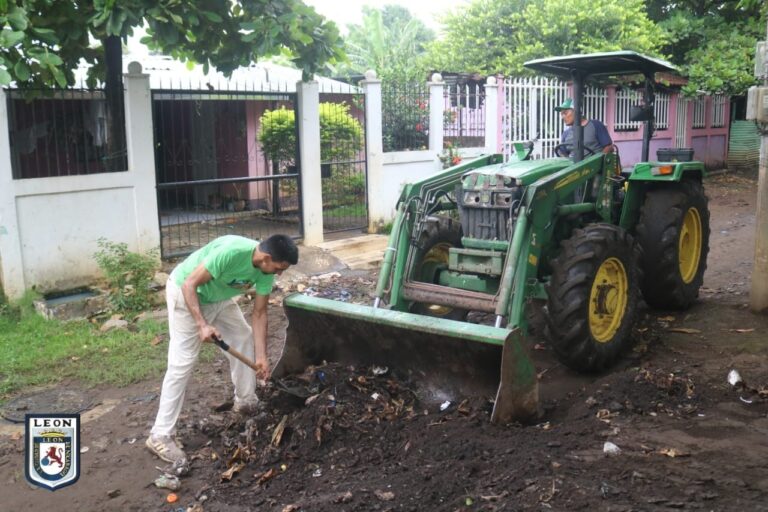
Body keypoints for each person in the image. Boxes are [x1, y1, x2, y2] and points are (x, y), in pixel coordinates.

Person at [146, 234, 299, 464]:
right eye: (279, 268)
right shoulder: (231, 252)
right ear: (266, 257)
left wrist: (261, 358)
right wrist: (202, 324)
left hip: (218, 298)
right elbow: (189, 284)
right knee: (182, 363)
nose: (280, 274)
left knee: (242, 335)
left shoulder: (265, 272)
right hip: (186, 294)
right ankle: (160, 434)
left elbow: (260, 313)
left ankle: (246, 400)